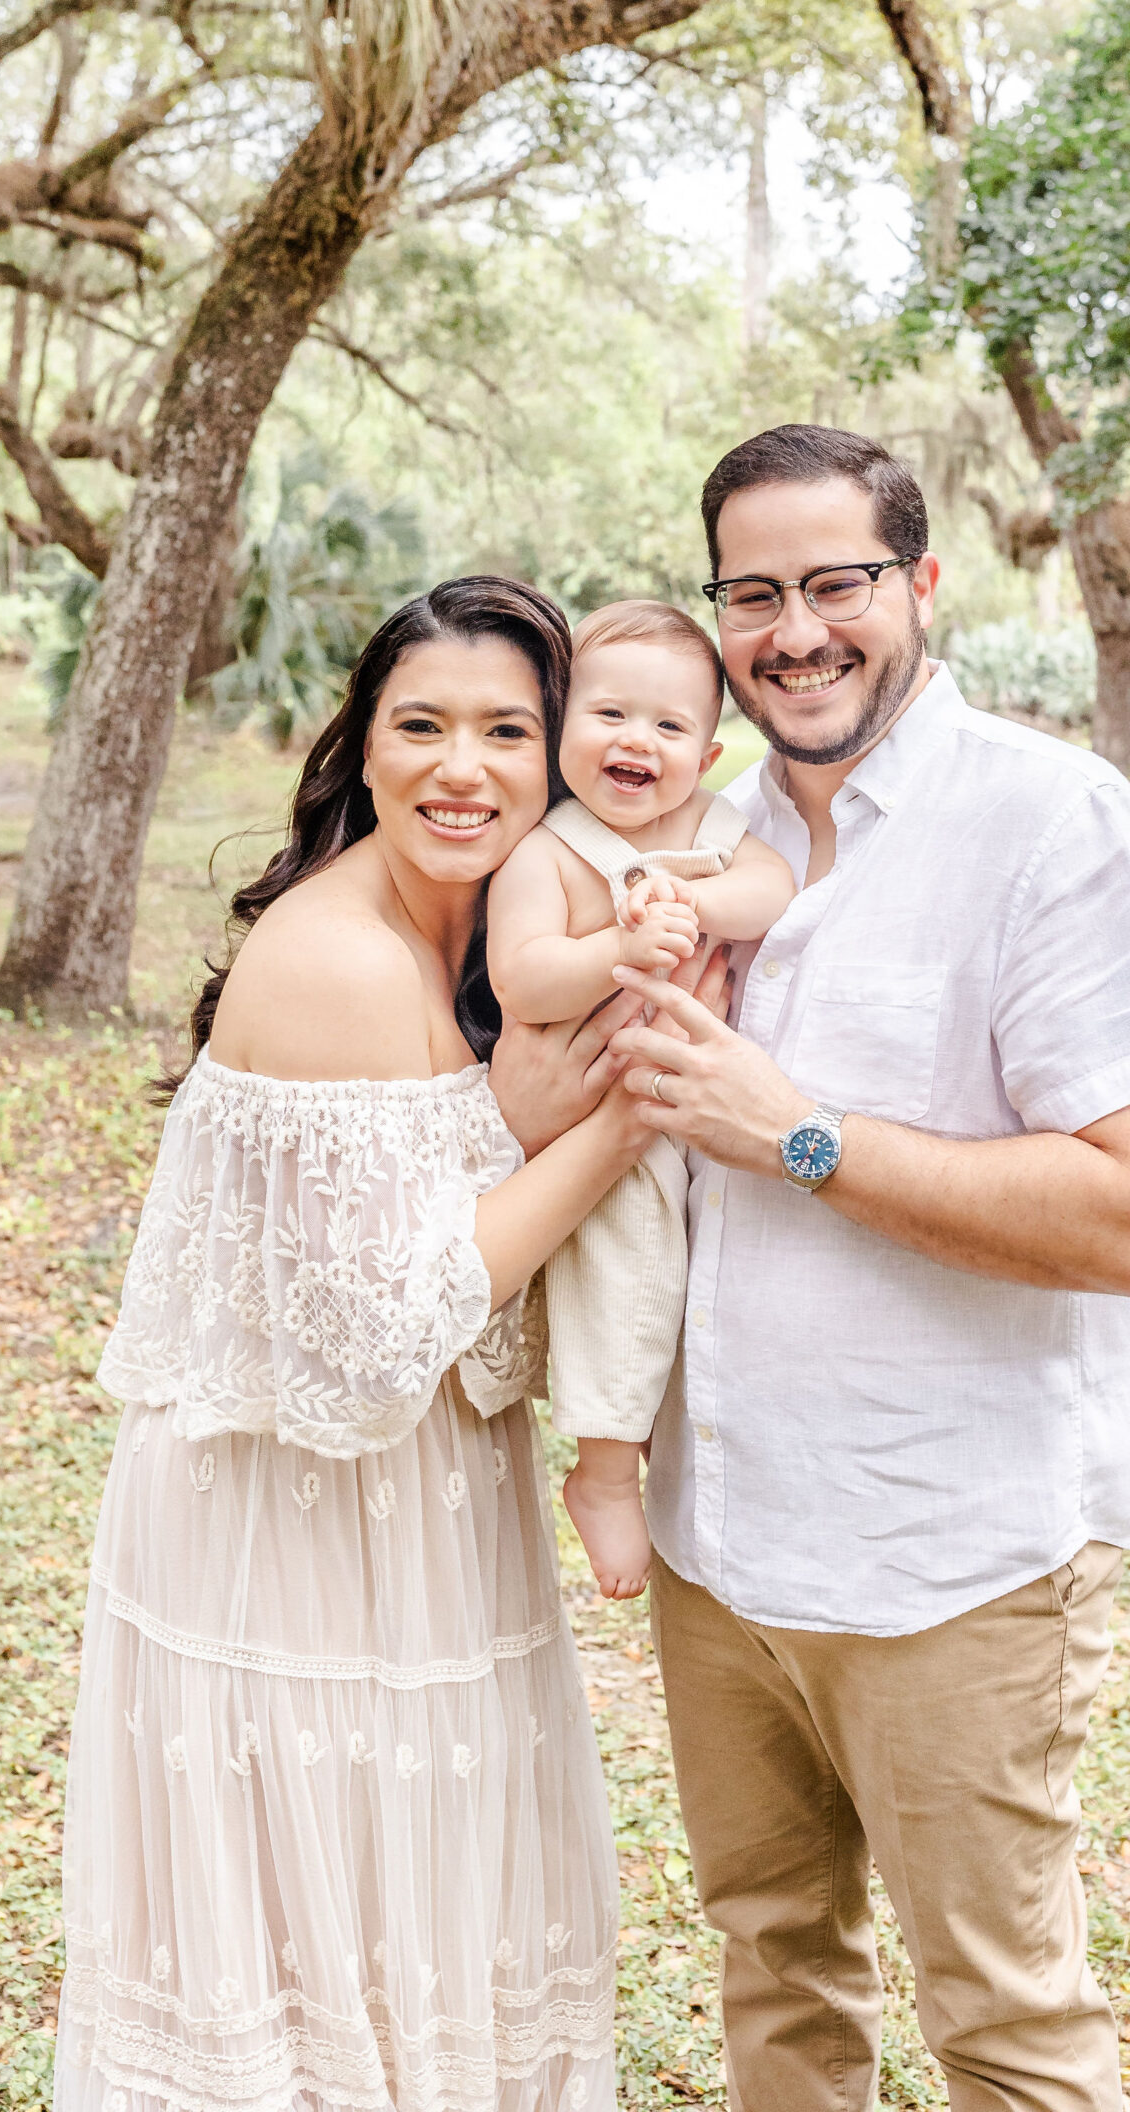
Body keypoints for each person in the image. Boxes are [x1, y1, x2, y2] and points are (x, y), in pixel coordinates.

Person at [605, 426, 1130, 2112]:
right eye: (756, 595)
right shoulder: (700, 836)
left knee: (1007, 2028)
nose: (796, 631)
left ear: (920, 588)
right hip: (716, 1546)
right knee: (776, 1972)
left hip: (947, 1557)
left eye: (837, 585)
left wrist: (799, 1131)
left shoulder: (1052, 829)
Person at [53, 578, 654, 2112]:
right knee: (323, 1959)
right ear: (362, 748)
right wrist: (626, 1118)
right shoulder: (331, 960)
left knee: (430, 1943)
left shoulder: (494, 947)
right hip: (287, 1530)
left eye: (506, 729)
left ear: (560, 754)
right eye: (423, 726)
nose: (464, 767)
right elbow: (384, 1336)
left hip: (427, 1516)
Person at [487, 601, 794, 1599]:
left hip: (712, 1110)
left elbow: (775, 886)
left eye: (668, 728)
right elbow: (524, 979)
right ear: (563, 721)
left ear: (707, 753)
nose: (636, 741)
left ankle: (681, 1454)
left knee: (712, 1288)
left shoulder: (711, 830)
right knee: (627, 1275)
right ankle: (606, 1471)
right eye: (610, 714)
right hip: (603, 1118)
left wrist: (695, 903)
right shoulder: (549, 850)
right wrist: (615, 951)